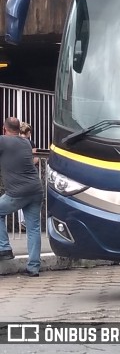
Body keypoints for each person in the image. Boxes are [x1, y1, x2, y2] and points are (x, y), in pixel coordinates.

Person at [0, 117, 44, 277]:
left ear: (4, 129)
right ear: (19, 129)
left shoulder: (3, 141)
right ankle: (33, 268)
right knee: (34, 229)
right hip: (36, 189)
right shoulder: (26, 142)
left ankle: (4, 247)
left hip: (18, 192)